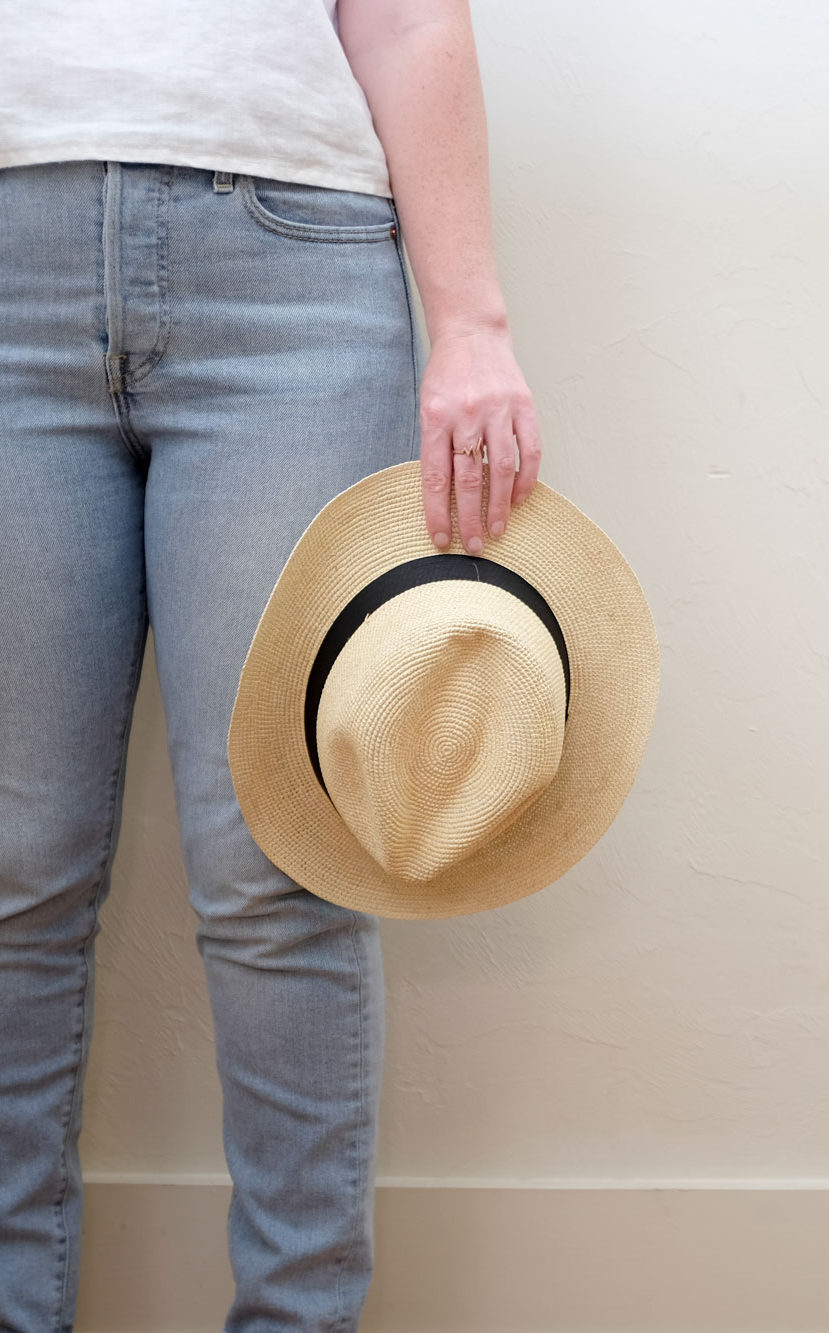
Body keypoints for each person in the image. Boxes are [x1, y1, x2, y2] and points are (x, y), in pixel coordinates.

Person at [0, 1, 541, 1327]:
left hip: (291, 268)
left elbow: (406, 12)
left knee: (281, 867)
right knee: (11, 873)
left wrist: (470, 320)